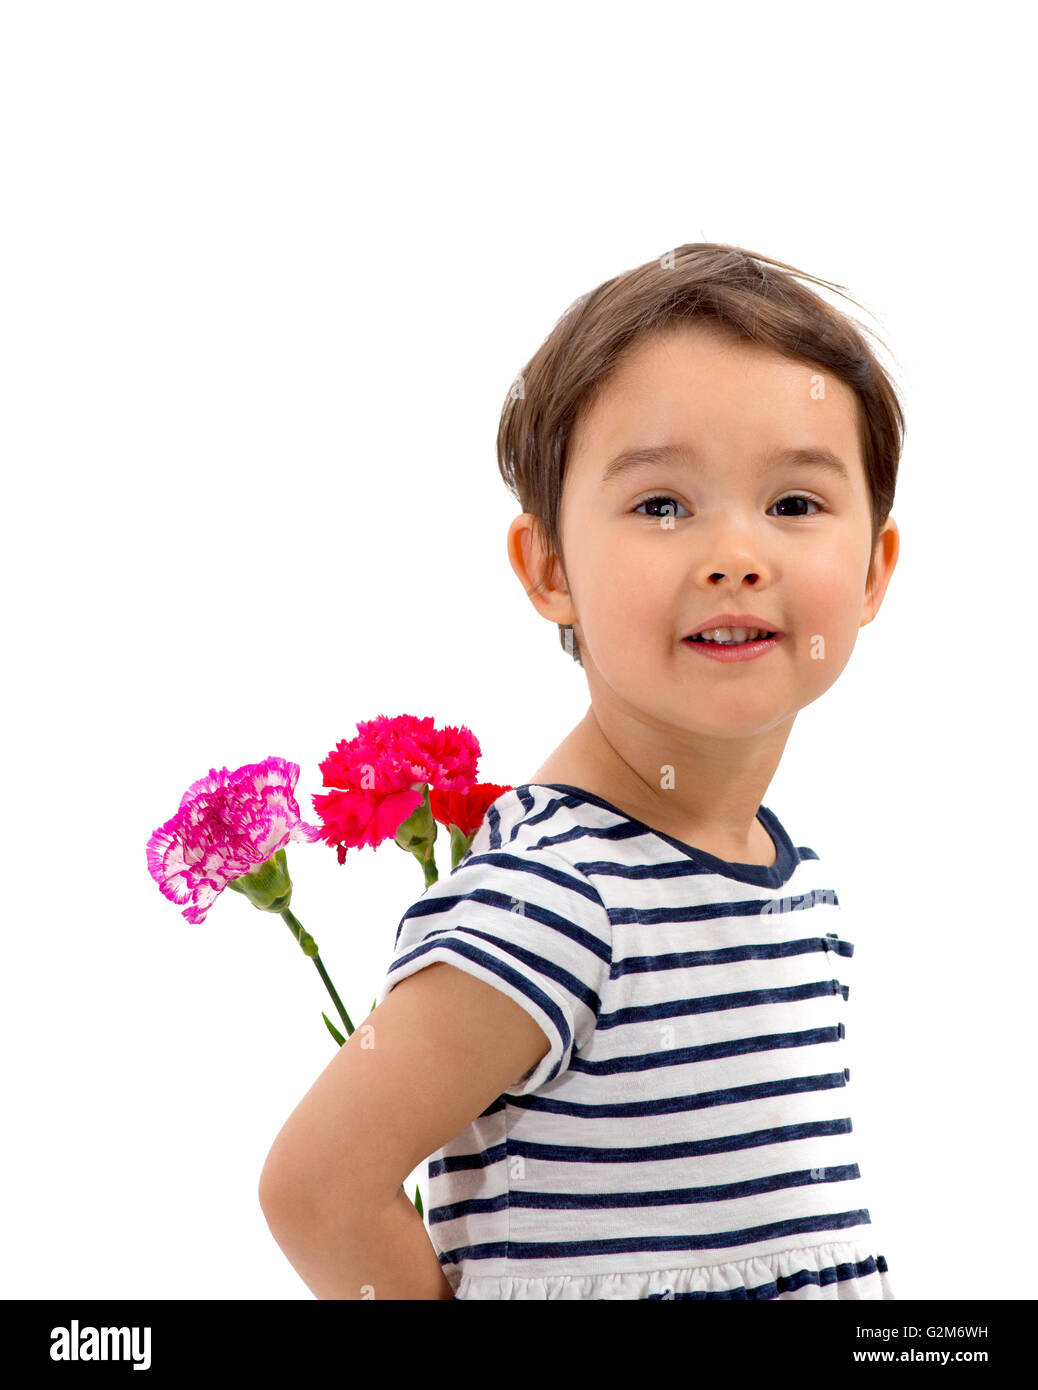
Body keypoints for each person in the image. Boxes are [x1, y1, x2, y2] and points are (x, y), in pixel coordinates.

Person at [257, 242, 902, 1300]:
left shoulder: (803, 885)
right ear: (549, 566)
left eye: (794, 504)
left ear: (874, 567)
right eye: (661, 505)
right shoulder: (556, 899)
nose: (737, 552)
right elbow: (317, 1189)